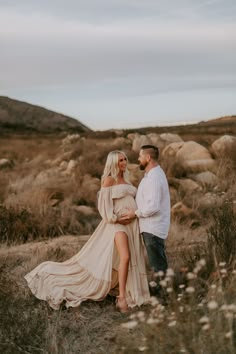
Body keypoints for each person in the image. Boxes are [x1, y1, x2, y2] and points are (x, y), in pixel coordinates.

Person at [24, 150, 150, 312]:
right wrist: (117, 219)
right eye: (120, 161)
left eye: (125, 159)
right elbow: (103, 207)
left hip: (131, 224)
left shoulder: (126, 179)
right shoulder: (108, 180)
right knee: (125, 257)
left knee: (122, 259)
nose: (124, 163)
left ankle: (122, 290)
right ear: (112, 163)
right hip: (117, 225)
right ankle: (121, 298)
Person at [119, 145, 170, 296]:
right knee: (158, 262)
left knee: (157, 264)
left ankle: (163, 298)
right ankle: (161, 293)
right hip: (150, 226)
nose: (138, 159)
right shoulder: (151, 175)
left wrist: (135, 213)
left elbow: (153, 206)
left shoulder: (154, 177)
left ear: (148, 158)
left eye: (140, 156)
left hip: (153, 227)